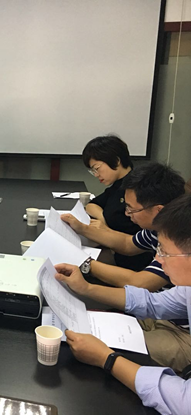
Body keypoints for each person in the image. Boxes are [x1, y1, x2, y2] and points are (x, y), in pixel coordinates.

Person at [54, 193, 191, 412]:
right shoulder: (187, 288)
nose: (158, 260)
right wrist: (86, 288)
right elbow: (151, 303)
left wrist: (107, 359)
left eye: (164, 252)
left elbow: (184, 402)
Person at [62, 163, 185, 291]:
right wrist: (82, 228)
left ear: (158, 210)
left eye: (131, 209)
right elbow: (127, 243)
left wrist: (84, 263)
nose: (127, 213)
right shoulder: (159, 227)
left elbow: (140, 283)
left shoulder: (181, 240)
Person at [81, 135, 152, 271]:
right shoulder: (117, 186)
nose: (96, 175)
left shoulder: (138, 188)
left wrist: (106, 230)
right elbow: (92, 205)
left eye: (97, 168)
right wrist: (103, 219)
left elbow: (133, 242)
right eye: (92, 171)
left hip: (130, 261)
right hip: (113, 250)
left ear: (116, 160)